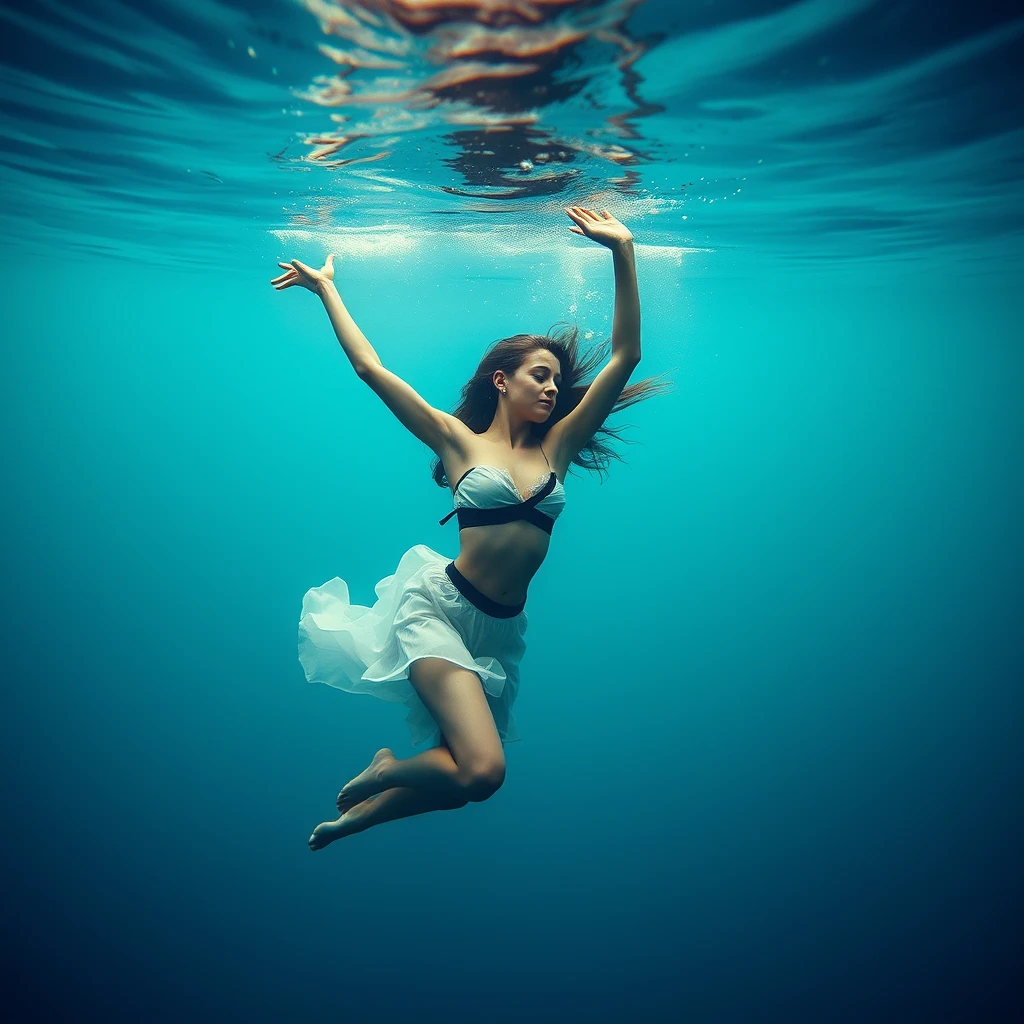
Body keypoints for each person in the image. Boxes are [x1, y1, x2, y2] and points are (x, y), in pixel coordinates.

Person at [272, 207, 669, 850]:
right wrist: (327, 289)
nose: (551, 389)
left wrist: (623, 249)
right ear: (501, 379)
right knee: (484, 769)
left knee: (472, 781)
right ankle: (385, 777)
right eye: (539, 376)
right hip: (438, 610)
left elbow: (627, 355)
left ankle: (370, 803)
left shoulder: (558, 447)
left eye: (557, 381)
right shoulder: (457, 442)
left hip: (502, 628)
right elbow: (373, 370)